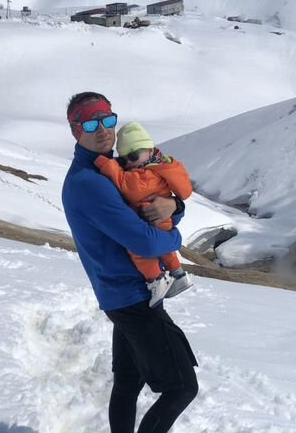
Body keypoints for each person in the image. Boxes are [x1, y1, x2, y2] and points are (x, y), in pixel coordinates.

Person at [61, 92, 198, 433]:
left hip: (120, 295)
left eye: (108, 120)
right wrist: (176, 239)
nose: (103, 130)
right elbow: (142, 239)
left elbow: (151, 201)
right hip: (133, 296)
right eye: (91, 123)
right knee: (182, 387)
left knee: (128, 380)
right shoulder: (89, 183)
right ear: (76, 130)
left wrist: (174, 208)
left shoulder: (112, 169)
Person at [95, 121, 194, 308]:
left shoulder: (147, 174)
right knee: (165, 250)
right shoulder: (159, 166)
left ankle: (156, 279)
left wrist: (107, 164)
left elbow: (128, 187)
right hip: (161, 220)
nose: (129, 164)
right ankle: (178, 274)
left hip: (153, 218)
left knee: (138, 250)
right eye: (124, 160)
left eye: (132, 156)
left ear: (149, 150)